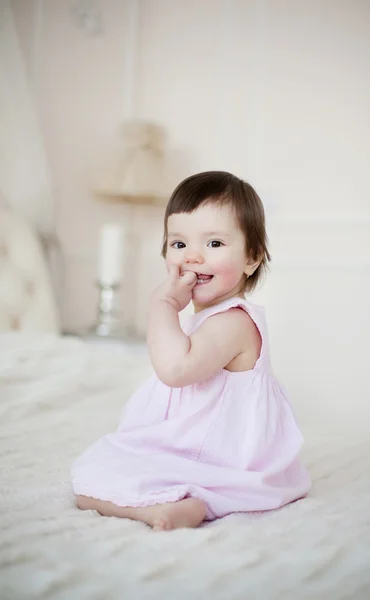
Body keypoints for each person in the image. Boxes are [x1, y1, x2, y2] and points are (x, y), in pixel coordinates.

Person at [72, 171, 311, 531]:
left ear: (252, 257)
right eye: (179, 244)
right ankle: (171, 505)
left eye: (214, 244)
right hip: (194, 445)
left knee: (100, 474)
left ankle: (177, 504)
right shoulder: (204, 321)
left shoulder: (233, 322)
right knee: (88, 480)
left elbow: (176, 370)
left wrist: (163, 304)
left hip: (220, 458)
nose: (193, 257)